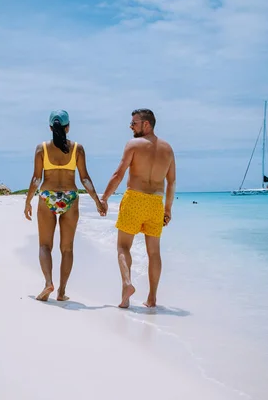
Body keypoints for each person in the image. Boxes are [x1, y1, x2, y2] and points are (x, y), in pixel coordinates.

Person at [24, 110, 104, 301]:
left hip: (47, 196)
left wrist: (27, 201)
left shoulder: (41, 149)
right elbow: (85, 179)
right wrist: (97, 201)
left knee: (45, 245)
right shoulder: (78, 148)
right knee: (67, 249)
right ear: (68, 127)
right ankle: (61, 292)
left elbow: (36, 179)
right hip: (70, 197)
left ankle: (48, 283)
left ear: (50, 127)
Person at [101, 109, 176, 309]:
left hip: (135, 199)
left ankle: (127, 285)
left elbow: (118, 174)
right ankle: (152, 298)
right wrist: (167, 209)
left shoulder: (133, 145)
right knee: (154, 252)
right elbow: (172, 182)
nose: (131, 126)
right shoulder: (168, 149)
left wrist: (104, 198)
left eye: (134, 123)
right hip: (155, 204)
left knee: (123, 247)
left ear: (146, 124)